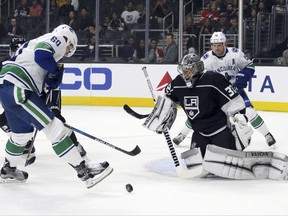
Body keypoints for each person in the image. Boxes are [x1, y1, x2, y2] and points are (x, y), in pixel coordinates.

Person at [142, 53, 288, 180]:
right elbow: (167, 97)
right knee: (194, 164)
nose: (185, 73)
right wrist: (160, 115)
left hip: (221, 131)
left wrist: (239, 116)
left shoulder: (212, 79)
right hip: (199, 132)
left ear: (197, 68)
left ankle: (239, 141)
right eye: (184, 70)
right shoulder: (178, 83)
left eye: (189, 70)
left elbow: (235, 101)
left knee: (224, 160)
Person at [0, 24, 113, 188]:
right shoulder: (58, 38)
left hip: (7, 89)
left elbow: (45, 78)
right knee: (55, 128)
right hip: (20, 89)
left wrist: (52, 77)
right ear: (68, 39)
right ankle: (85, 171)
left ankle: (8, 170)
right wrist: (54, 69)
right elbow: (42, 55)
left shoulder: (31, 48)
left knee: (21, 136)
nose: (67, 53)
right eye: (70, 49)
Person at [173, 32, 276, 148]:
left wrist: (243, 76)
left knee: (249, 112)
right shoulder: (206, 59)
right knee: (200, 113)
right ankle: (182, 134)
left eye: (219, 45)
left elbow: (250, 66)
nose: (216, 48)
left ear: (224, 44)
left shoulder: (235, 54)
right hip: (215, 94)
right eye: (214, 45)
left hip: (234, 91)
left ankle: (267, 135)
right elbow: (199, 76)